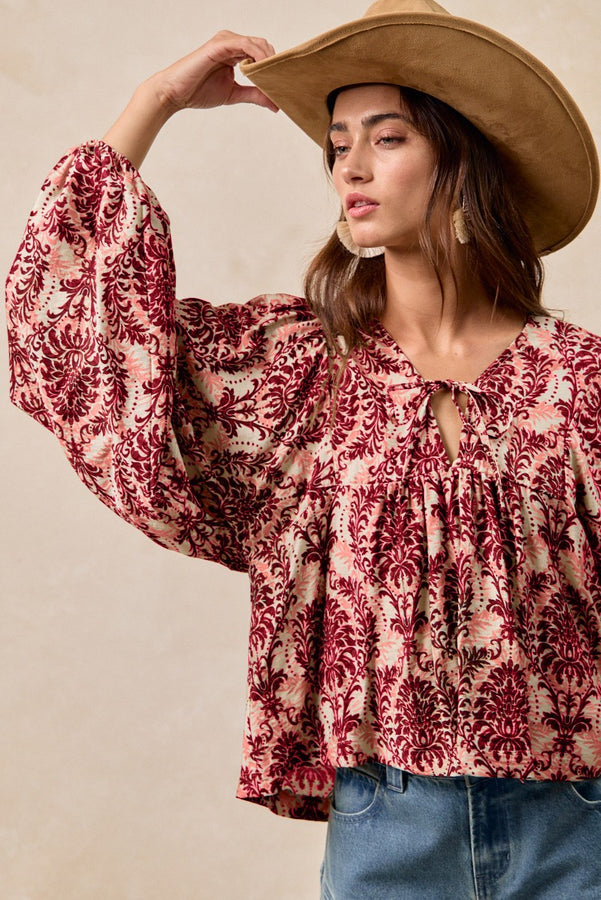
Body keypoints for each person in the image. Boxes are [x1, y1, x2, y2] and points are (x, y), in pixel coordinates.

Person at [5, 0, 601, 897]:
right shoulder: (298, 372)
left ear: (463, 157)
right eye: (337, 144)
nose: (349, 167)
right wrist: (156, 100)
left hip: (577, 822)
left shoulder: (578, 380)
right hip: (387, 826)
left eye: (387, 138)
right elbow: (67, 335)